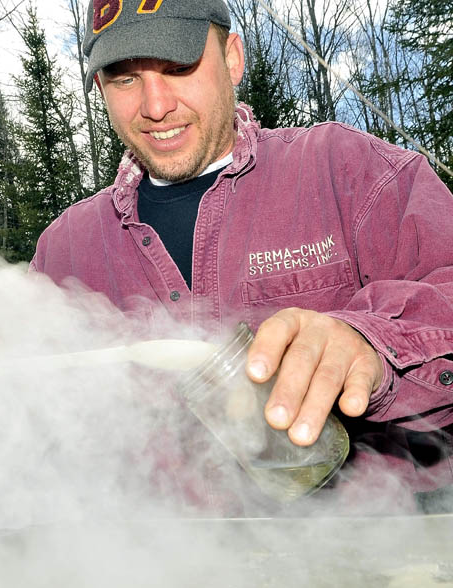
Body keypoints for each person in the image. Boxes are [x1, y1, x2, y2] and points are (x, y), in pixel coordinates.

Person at [30, 0, 453, 508]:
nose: (156, 104)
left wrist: (371, 344)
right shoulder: (64, 249)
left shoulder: (349, 172)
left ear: (232, 58)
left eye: (179, 68)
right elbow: (30, 423)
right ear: (100, 88)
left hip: (375, 554)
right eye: (124, 78)